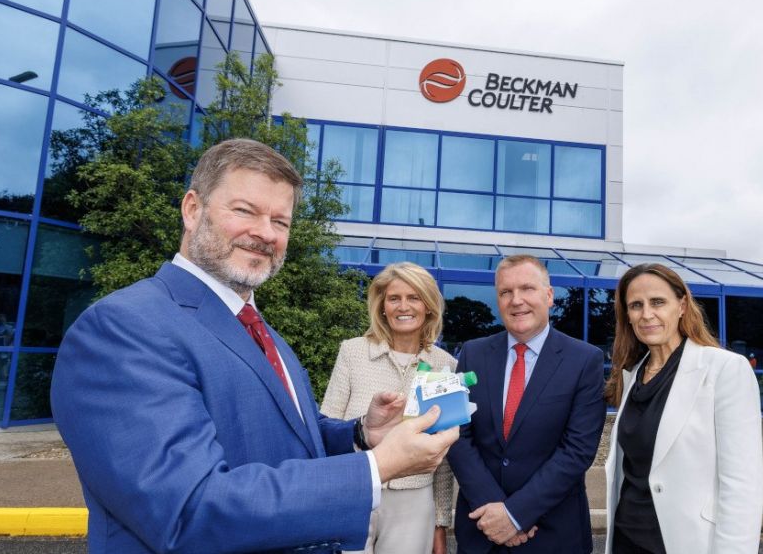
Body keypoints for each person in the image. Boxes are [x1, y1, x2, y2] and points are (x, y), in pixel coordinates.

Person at [51, 138, 459, 554]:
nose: (264, 233)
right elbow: (189, 511)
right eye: (245, 211)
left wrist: (361, 435)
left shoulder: (263, 332)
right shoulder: (123, 327)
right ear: (192, 209)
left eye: (280, 222)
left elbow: (287, 434)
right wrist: (378, 466)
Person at [447, 254, 605, 554]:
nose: (516, 300)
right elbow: (458, 435)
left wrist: (515, 514)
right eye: (505, 292)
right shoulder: (472, 354)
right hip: (482, 529)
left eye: (527, 289)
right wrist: (495, 512)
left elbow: (577, 451)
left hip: (553, 534)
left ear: (549, 296)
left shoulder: (585, 360)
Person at [603, 263, 763, 554]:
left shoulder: (724, 369)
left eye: (658, 302)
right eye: (636, 305)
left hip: (686, 542)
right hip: (626, 540)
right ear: (627, 316)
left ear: (682, 305)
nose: (647, 314)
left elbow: (742, 485)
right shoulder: (631, 375)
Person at [322, 262, 457, 554]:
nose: (403, 306)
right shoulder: (353, 351)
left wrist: (441, 522)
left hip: (413, 501)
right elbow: (328, 426)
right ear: (382, 306)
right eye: (394, 298)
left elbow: (444, 455)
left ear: (429, 306)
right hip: (354, 491)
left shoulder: (445, 365)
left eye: (414, 297)